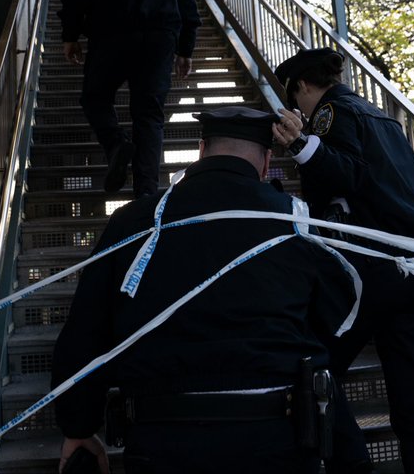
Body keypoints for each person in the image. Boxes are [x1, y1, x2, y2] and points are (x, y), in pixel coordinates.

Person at [51, 106, 357, 474]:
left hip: (161, 438)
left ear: (201, 150)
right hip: (275, 433)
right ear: (265, 163)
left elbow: (87, 328)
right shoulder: (292, 218)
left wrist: (79, 425)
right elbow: (337, 318)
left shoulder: (132, 220)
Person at [272, 48, 414, 474]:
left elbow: (348, 175)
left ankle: (351, 463)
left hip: (376, 269)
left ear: (304, 86)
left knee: (314, 365)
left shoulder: (332, 113)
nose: (300, 110)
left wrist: (300, 143)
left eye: (297, 100)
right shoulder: (380, 117)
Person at [59, 0, 201, 197]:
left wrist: (70, 36)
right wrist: (185, 50)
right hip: (160, 41)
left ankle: (116, 144)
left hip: (111, 35)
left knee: (95, 98)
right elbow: (188, 5)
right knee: (149, 115)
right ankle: (146, 193)